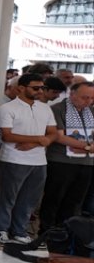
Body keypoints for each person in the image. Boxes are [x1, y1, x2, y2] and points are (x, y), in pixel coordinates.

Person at [0, 73, 56, 244]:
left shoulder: (45, 108)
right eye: (36, 88)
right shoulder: (7, 108)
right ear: (21, 88)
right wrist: (38, 140)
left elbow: (52, 133)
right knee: (8, 198)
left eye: (42, 88)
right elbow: (6, 135)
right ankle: (0, 230)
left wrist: (35, 143)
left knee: (29, 200)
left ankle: (19, 231)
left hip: (39, 161)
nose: (40, 91)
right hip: (13, 159)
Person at [39, 82, 94, 233]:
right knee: (54, 197)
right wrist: (87, 146)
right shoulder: (58, 109)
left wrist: (82, 146)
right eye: (84, 97)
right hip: (61, 162)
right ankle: (46, 231)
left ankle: (65, 232)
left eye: (91, 98)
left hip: (87, 162)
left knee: (75, 201)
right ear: (72, 94)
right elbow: (59, 137)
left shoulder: (91, 111)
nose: (88, 101)